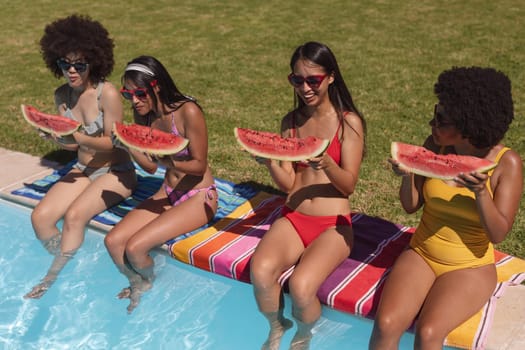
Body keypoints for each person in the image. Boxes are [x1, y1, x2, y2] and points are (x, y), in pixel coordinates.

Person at [369, 67, 523, 349]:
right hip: (422, 253)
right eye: (435, 113)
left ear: (468, 124)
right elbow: (410, 206)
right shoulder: (434, 146)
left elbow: (498, 233)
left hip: (470, 267)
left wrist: (479, 192)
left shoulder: (506, 163)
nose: (432, 123)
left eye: (441, 119)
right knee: (386, 325)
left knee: (428, 334)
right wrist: (408, 175)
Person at [249, 41, 366, 350]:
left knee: (301, 288)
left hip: (333, 224)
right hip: (293, 217)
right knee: (260, 273)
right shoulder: (290, 122)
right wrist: (272, 160)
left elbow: (349, 184)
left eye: (312, 80)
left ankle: (304, 334)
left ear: (330, 77)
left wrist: (327, 161)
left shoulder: (348, 123)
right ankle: (277, 325)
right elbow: (289, 183)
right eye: (297, 80)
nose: (305, 87)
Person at [25, 15, 137, 299]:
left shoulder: (106, 93)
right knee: (40, 218)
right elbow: (75, 148)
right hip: (82, 169)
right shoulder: (61, 95)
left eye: (79, 65)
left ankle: (54, 274)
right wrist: (58, 139)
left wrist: (76, 137)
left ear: (94, 61)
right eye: (65, 64)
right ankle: (72, 262)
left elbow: (115, 145)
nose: (71, 71)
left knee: (74, 216)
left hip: (116, 171)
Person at [104, 56, 218, 313]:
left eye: (140, 93)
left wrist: (167, 161)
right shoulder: (142, 113)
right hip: (167, 192)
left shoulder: (188, 111)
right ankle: (138, 282)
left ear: (156, 86)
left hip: (199, 197)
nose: (134, 100)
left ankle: (151, 285)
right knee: (112, 241)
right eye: (128, 94)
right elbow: (150, 167)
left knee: (135, 247)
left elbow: (199, 165)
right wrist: (129, 146)